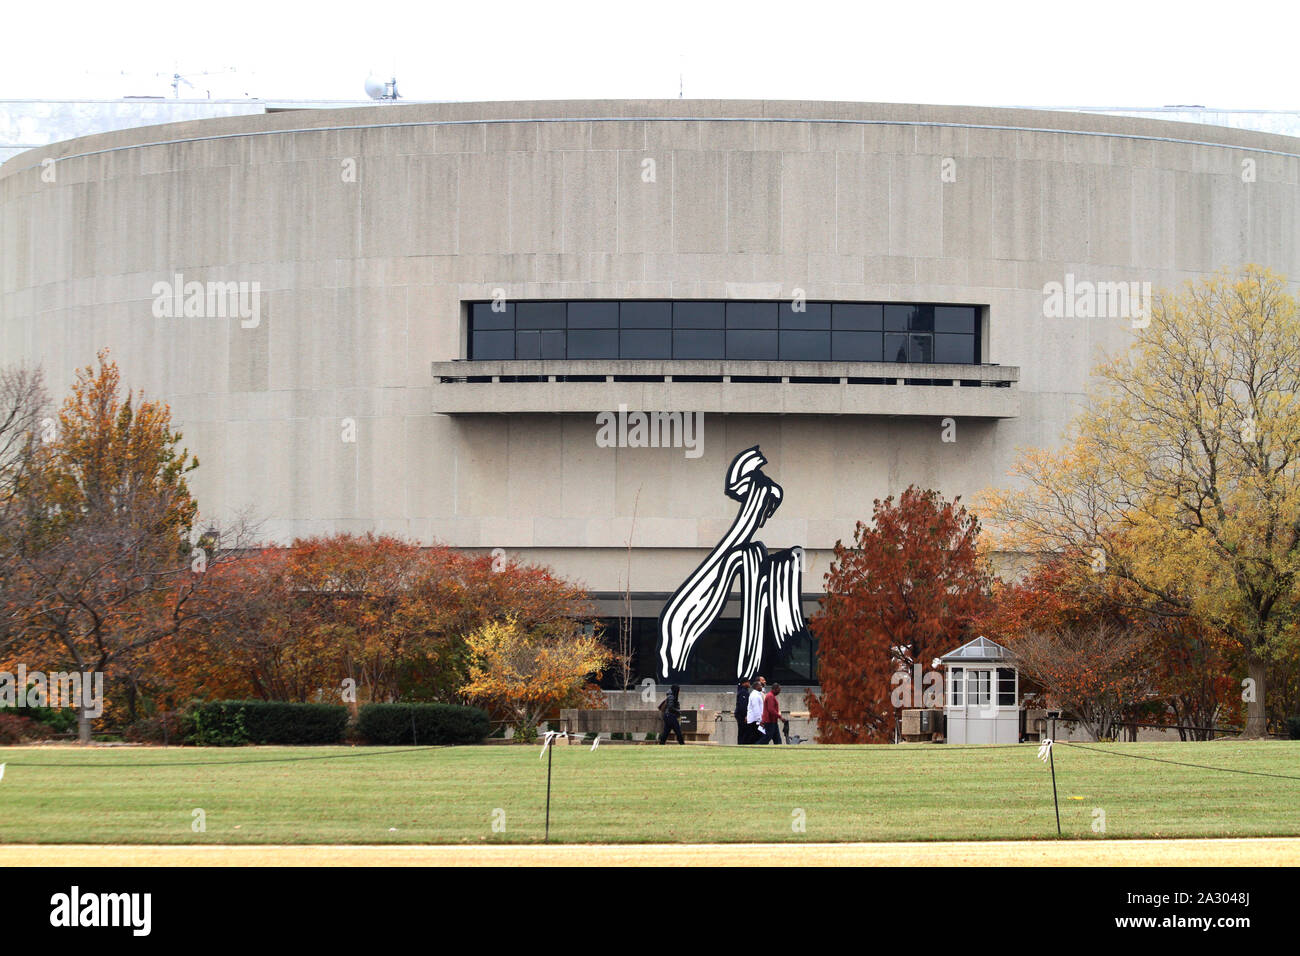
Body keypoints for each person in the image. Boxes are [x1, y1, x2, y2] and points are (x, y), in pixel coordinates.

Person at [746, 678, 766, 744]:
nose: (761, 687)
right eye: (760, 685)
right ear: (756, 687)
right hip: (754, 720)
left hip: (755, 720)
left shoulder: (757, 694)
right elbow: (756, 709)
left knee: (754, 737)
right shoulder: (755, 696)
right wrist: (759, 720)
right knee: (757, 736)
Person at [734, 678, 752, 745]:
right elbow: (743, 706)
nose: (749, 684)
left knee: (743, 732)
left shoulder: (744, 691)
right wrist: (746, 716)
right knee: (743, 732)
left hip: (742, 715)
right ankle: (742, 744)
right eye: (748, 682)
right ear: (744, 683)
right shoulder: (743, 692)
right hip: (742, 716)